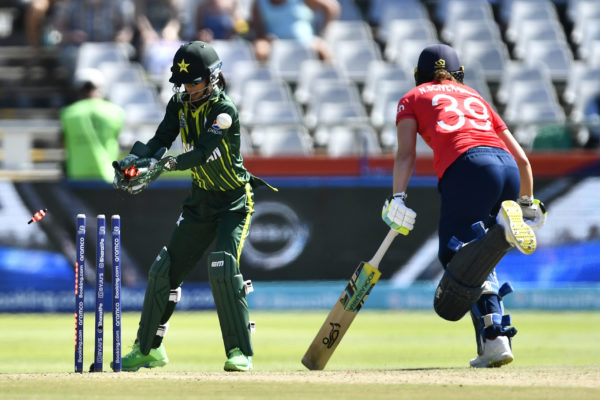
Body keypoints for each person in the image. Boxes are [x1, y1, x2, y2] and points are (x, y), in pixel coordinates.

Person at [111, 41, 275, 372]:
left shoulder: (224, 112)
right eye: (183, 83)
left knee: (224, 268)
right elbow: (161, 139)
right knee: (164, 270)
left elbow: (201, 152)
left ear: (213, 78)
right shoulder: (179, 103)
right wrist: (136, 158)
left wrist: (166, 166)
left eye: (194, 82)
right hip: (200, 201)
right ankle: (148, 349)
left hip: (233, 201)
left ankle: (239, 352)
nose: (188, 88)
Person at [381, 44, 547, 368]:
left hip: (467, 168)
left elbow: (405, 154)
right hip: (508, 169)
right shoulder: (475, 96)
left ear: (420, 76)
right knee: (479, 259)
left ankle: (501, 231)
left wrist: (397, 197)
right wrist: (527, 201)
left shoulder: (413, 98)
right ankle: (495, 340)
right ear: (458, 75)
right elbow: (523, 159)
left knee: (456, 256)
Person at [60, 67, 124, 182]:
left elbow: (63, 143)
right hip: (108, 176)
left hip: (77, 175)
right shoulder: (116, 112)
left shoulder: (68, 113)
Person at [250, 0, 341, 62]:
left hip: (307, 41)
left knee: (323, 50)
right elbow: (258, 29)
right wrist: (266, 37)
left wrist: (322, 32)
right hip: (274, 43)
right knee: (260, 50)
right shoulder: (259, 3)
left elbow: (331, 7)